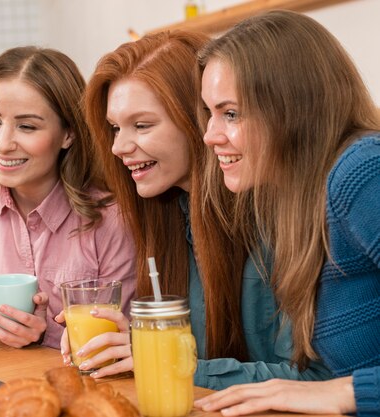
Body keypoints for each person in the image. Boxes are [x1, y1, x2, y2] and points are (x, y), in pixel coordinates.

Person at [59, 30, 332, 389]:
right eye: (114, 128)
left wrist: (166, 362)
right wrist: (142, 343)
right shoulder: (167, 216)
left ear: (198, 120)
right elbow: (199, 354)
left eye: (141, 125)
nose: (118, 147)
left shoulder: (280, 221)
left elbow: (315, 377)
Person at [196, 10, 380, 416]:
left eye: (230, 113)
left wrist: (344, 392)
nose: (210, 136)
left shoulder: (362, 172)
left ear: (292, 108)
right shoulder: (295, 195)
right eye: (210, 113)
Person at [0, 46, 136, 349]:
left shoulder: (112, 217)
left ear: (69, 134)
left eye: (27, 126)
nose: (3, 143)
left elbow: (123, 339)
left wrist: (44, 337)